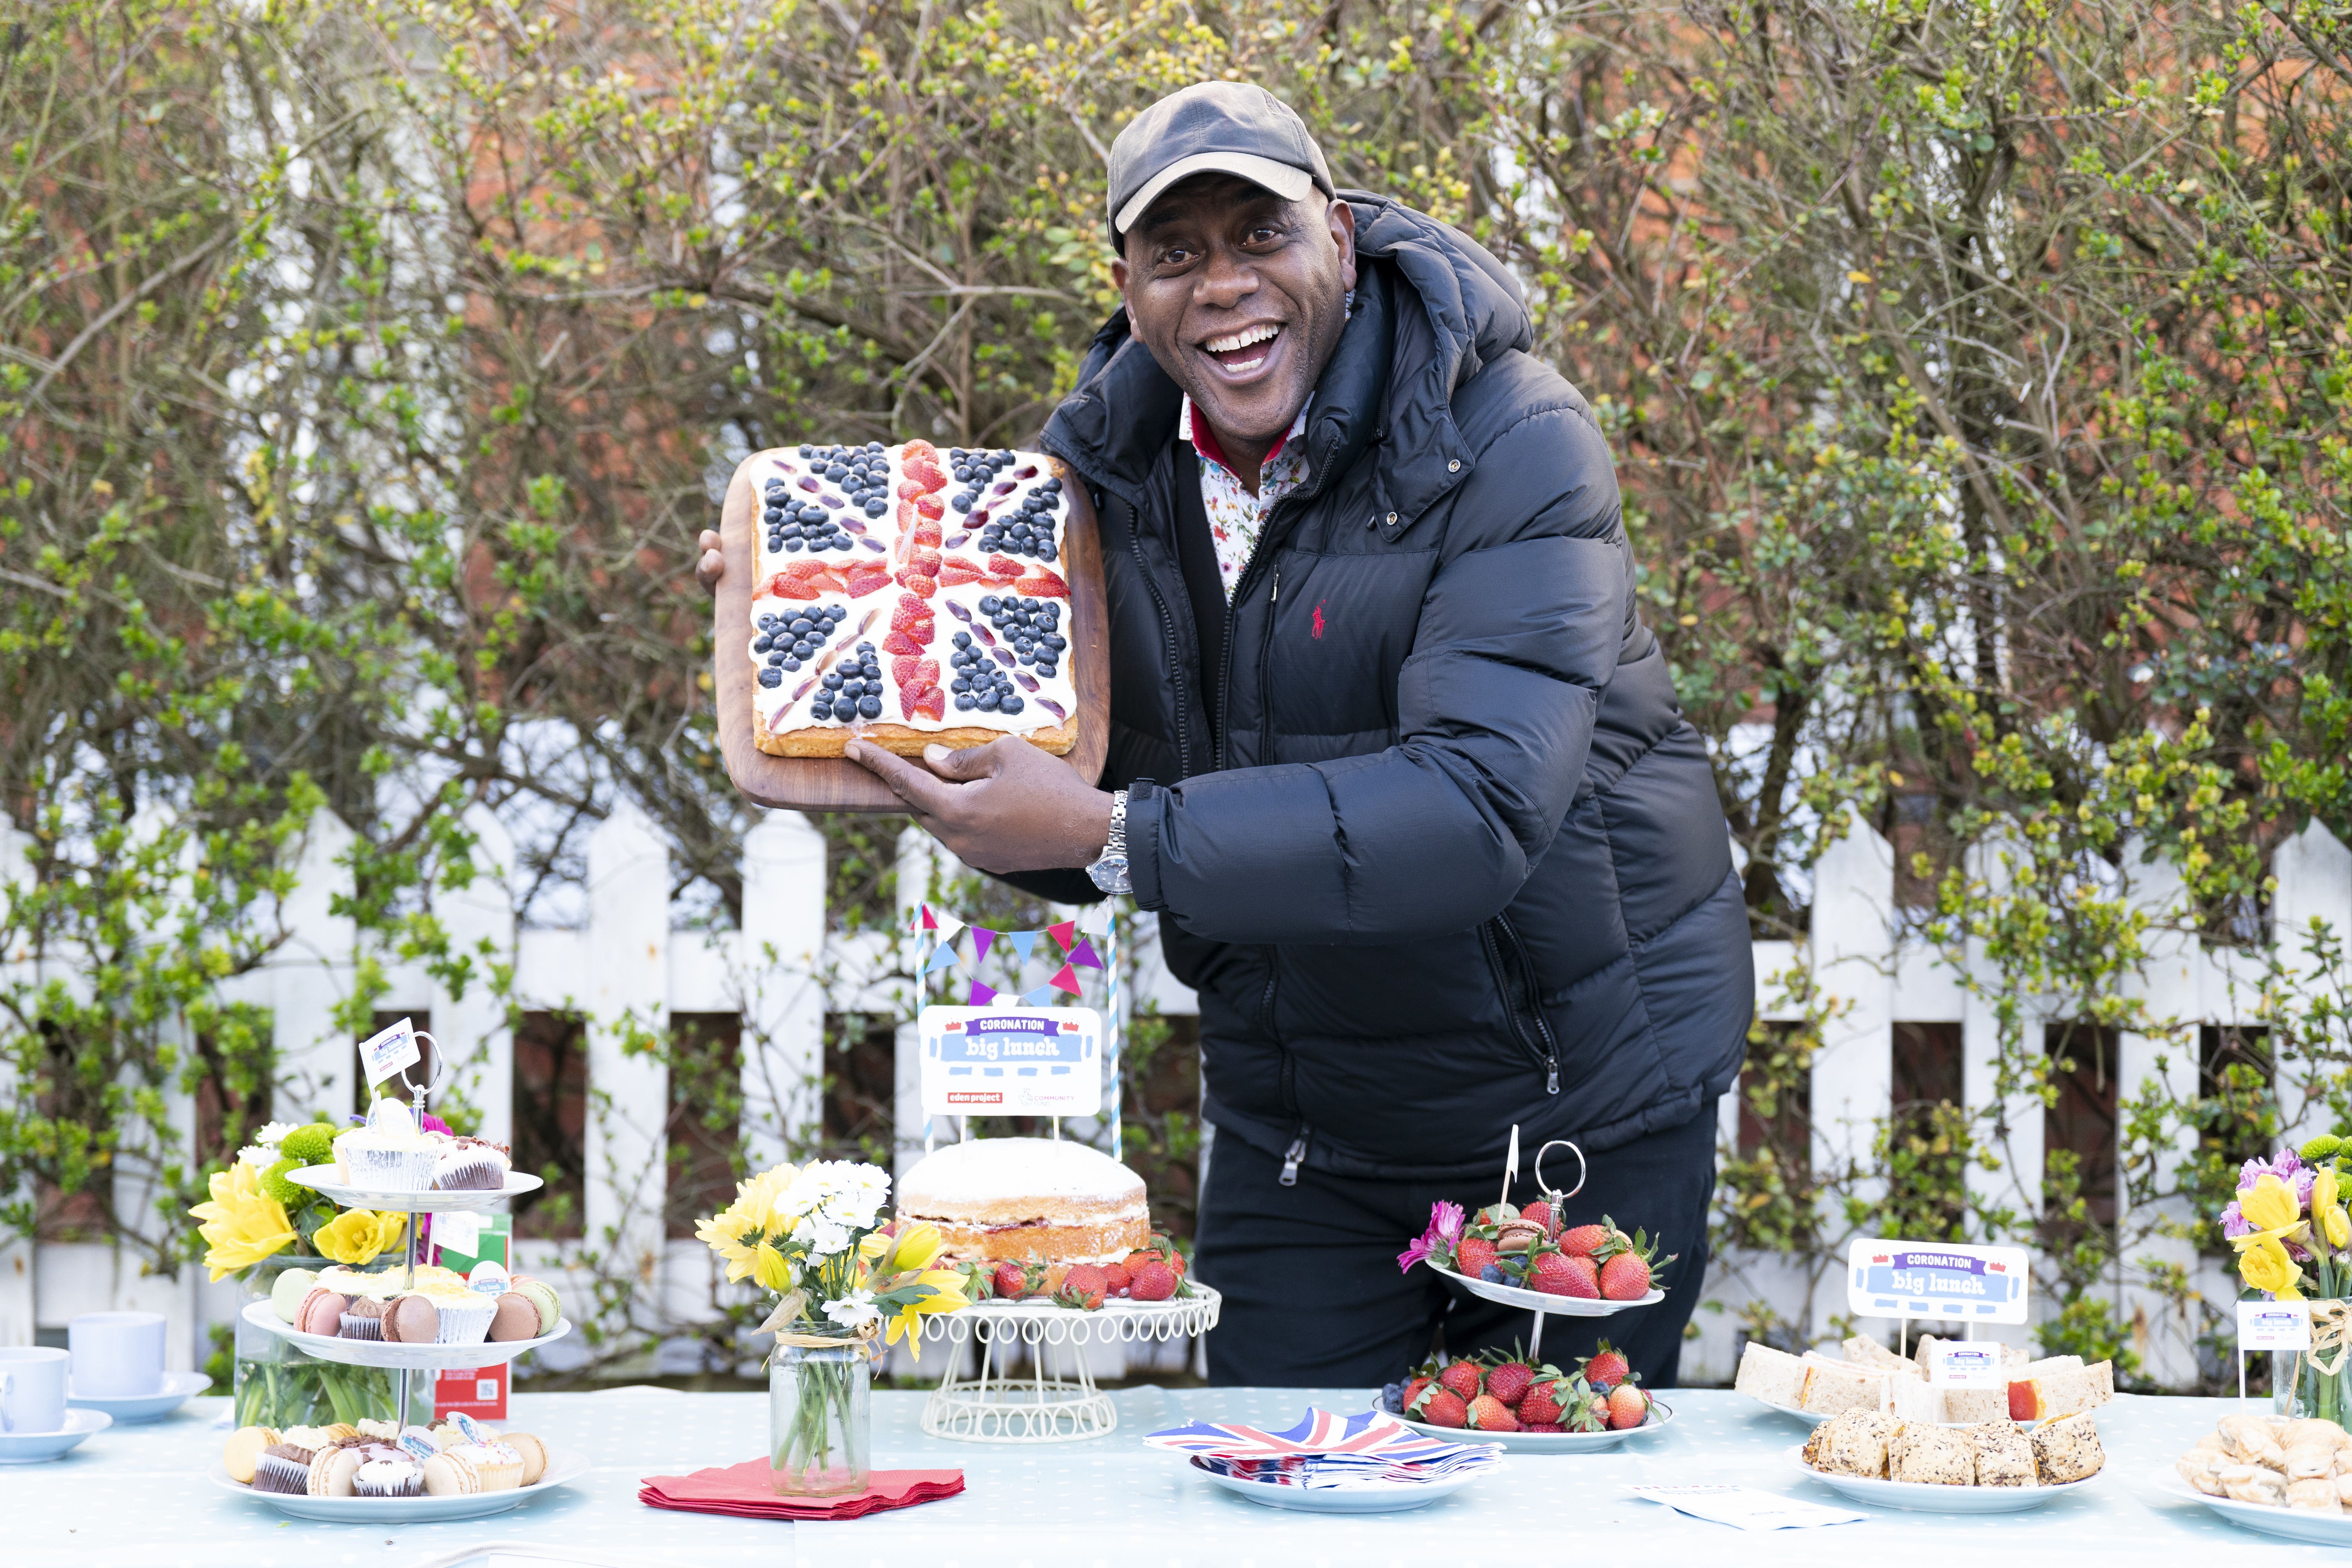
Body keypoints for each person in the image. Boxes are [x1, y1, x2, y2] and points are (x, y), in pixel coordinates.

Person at [698, 82, 1752, 1389]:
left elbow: (1477, 809)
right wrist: (810, 627)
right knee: (1270, 1494)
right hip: (1299, 1120)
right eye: (1175, 253)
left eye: (1262, 236)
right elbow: (1081, 802)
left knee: (1536, 1505)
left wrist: (1113, 829)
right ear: (1129, 286)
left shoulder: (1514, 442)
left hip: (1563, 1112)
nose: (1224, 286)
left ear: (1341, 241)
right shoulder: (1101, 484)